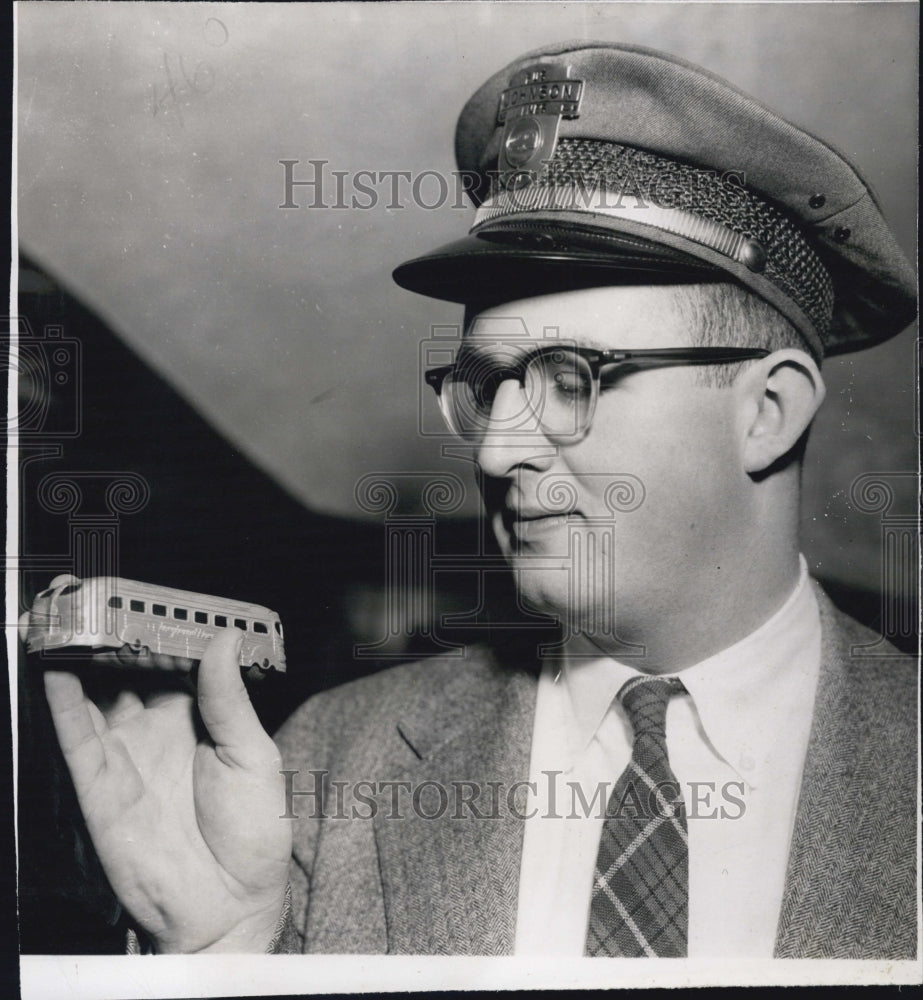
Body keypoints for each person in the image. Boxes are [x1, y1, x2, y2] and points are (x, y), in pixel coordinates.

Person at [29, 41, 917, 959]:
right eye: (486, 387)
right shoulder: (332, 764)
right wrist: (223, 952)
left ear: (767, 412)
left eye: (570, 378)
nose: (496, 448)